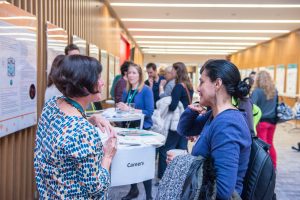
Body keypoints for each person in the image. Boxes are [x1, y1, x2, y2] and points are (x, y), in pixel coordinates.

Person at [34, 55, 117, 199]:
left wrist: (89, 119)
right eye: (98, 78)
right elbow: (96, 188)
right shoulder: (84, 132)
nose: (102, 83)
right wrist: (108, 156)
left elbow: (64, 137)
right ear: (84, 87)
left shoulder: (52, 104)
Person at [175, 59, 252, 199]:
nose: (198, 88)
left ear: (217, 84)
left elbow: (222, 191)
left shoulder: (227, 124)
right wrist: (192, 111)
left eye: (202, 82)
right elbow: (184, 130)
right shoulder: (214, 115)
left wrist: (183, 163)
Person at [116, 63, 154, 200]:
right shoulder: (127, 90)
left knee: (143, 163)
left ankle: (149, 196)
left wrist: (129, 109)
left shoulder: (146, 90)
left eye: (134, 73)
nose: (131, 75)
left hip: (142, 130)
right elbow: (127, 109)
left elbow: (149, 112)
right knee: (131, 162)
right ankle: (133, 190)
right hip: (129, 129)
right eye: (129, 73)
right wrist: (121, 107)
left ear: (139, 75)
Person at [158, 62, 193, 180]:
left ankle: (164, 177)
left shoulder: (178, 87)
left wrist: (165, 104)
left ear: (177, 71)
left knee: (165, 149)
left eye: (173, 70)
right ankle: (181, 175)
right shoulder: (189, 86)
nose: (171, 72)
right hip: (186, 122)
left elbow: (173, 106)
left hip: (176, 123)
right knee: (182, 148)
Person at [251, 70, 278, 168]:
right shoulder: (274, 91)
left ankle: (264, 168)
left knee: (262, 146)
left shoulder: (257, 91)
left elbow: (252, 106)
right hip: (272, 122)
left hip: (262, 122)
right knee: (270, 143)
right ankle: (273, 166)